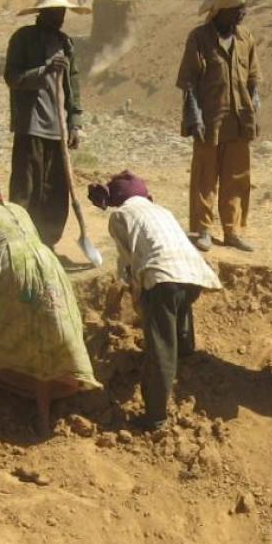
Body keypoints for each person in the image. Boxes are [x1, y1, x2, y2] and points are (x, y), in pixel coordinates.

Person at [0, 172, 99, 436]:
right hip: (46, 262)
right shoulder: (17, 208)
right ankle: (43, 415)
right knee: (44, 333)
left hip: (9, 263)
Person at [91, 171, 222, 431]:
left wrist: (136, 292)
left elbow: (128, 260)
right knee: (180, 304)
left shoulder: (120, 216)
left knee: (160, 347)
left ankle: (156, 416)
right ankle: (185, 349)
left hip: (162, 278)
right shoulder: (162, 211)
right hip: (195, 274)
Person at [4, 0, 88, 250]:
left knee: (55, 193)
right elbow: (13, 78)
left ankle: (47, 246)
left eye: (62, 12)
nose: (60, 16)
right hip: (31, 126)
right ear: (43, 12)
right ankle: (22, 245)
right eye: (55, 12)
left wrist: (75, 122)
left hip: (58, 130)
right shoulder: (23, 39)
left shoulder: (66, 43)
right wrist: (44, 71)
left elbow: (72, 85)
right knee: (26, 189)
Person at [179, 0, 260, 253]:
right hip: (210, 120)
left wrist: (254, 103)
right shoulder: (199, 38)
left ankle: (232, 230)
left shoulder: (246, 37)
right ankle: (202, 229)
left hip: (240, 120)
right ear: (221, 11)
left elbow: (253, 78)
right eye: (237, 8)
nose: (242, 13)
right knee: (205, 176)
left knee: (237, 176)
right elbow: (188, 82)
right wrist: (194, 117)